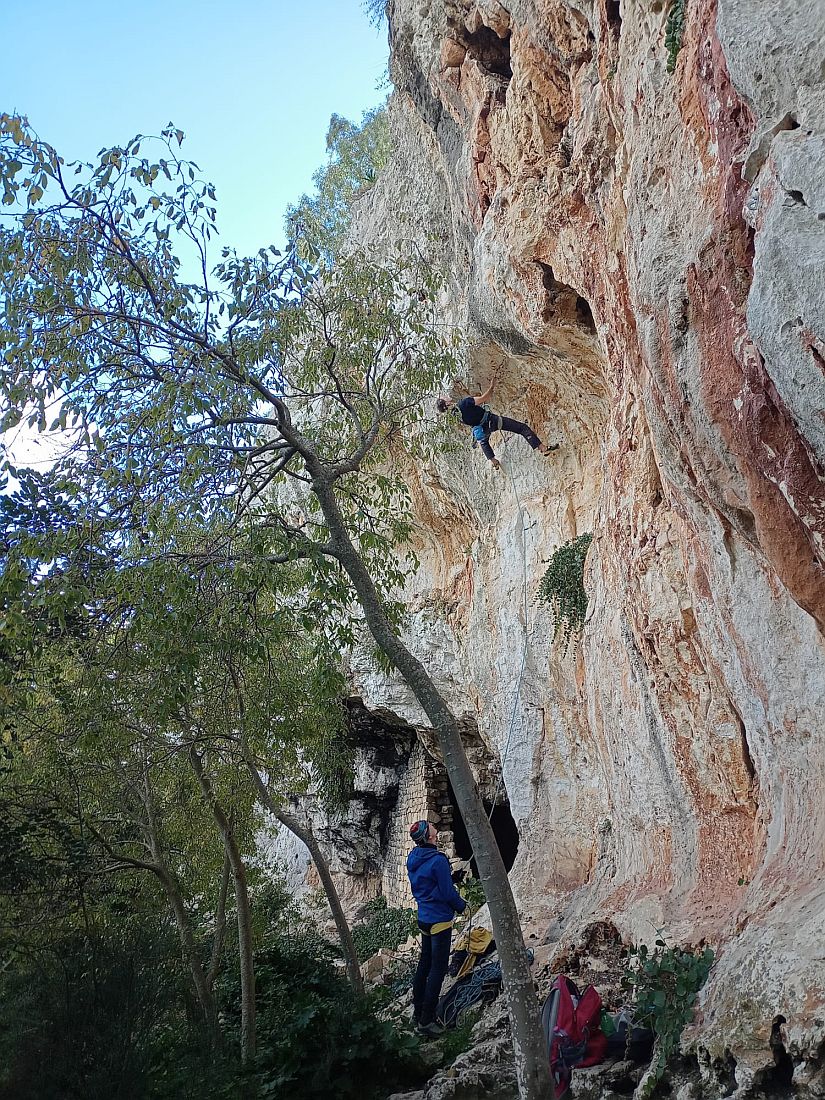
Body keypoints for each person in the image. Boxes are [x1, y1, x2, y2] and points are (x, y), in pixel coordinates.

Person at [406, 819, 467, 1037]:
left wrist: (451, 879)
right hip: (440, 919)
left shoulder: (413, 857)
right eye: (429, 826)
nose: (433, 825)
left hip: (424, 917)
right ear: (430, 836)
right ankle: (427, 1021)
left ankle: (418, 1011)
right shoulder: (439, 860)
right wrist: (462, 906)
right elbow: (447, 894)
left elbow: (428, 882)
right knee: (438, 969)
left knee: (425, 964)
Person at [436, 376, 559, 469]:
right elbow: (485, 398)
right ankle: (543, 448)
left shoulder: (455, 415)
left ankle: (494, 462)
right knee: (521, 428)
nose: (447, 396)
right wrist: (492, 385)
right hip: (491, 421)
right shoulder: (463, 403)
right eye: (445, 398)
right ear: (447, 403)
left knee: (484, 441)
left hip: (482, 429)